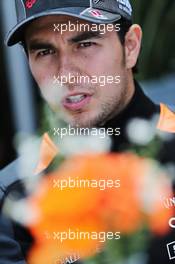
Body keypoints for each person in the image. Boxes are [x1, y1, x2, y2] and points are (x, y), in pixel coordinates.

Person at [0, 0, 174, 263]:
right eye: (45, 52)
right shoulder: (13, 198)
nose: (66, 75)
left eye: (85, 44)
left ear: (130, 46)